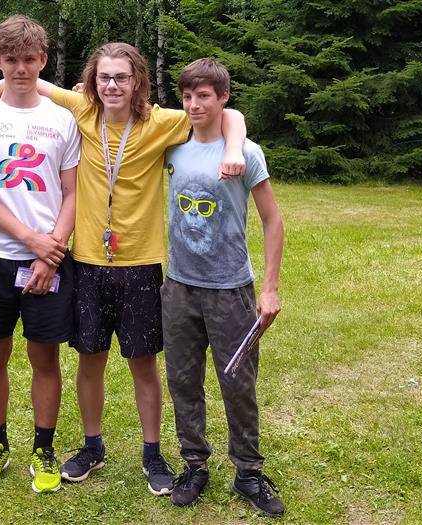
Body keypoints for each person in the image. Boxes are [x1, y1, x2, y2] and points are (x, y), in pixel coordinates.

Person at [0, 42, 246, 496]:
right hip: (88, 262)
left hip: (141, 263)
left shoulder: (161, 122)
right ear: (93, 81)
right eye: (104, 77)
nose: (112, 85)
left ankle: (152, 452)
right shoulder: (81, 111)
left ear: (138, 81)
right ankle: (92, 446)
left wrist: (236, 147)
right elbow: (23, 80)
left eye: (122, 77)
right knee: (90, 360)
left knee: (143, 363)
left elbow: (227, 113)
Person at [0, 15, 80, 494]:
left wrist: (49, 253)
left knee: (45, 358)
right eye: (10, 60)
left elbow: (72, 194)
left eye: (28, 59)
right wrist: (31, 240)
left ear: (43, 60)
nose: (20, 69)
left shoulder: (62, 119)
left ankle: (44, 450)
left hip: (48, 260)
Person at [161, 58, 286, 517]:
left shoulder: (246, 152)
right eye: (187, 96)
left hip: (231, 289)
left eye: (204, 96)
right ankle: (194, 465)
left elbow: (273, 221)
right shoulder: (172, 146)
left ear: (223, 98)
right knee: (182, 379)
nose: (194, 105)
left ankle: (248, 472)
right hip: (179, 286)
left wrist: (269, 289)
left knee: (238, 383)